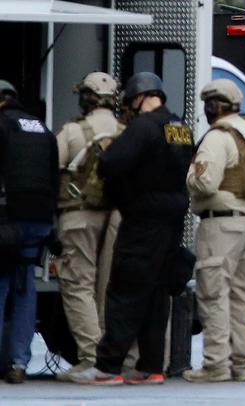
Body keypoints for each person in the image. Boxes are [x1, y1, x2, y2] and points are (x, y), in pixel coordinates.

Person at [69, 72, 193, 385]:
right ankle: (150, 367)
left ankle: (108, 367)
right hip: (173, 222)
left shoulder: (143, 127)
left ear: (139, 97)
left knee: (125, 292)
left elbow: (111, 162)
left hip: (143, 222)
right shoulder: (179, 127)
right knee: (156, 295)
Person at [183, 79, 245, 383]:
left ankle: (215, 365)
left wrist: (189, 177)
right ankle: (241, 364)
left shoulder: (217, 138)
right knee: (243, 296)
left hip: (220, 224)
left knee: (214, 294)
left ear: (213, 107)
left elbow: (205, 182)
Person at [53, 72, 124, 381]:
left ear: (86, 99)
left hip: (77, 215)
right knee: (106, 285)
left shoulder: (72, 131)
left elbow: (49, 169)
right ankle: (108, 356)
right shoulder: (126, 131)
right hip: (116, 218)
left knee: (77, 283)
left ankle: (90, 357)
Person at [0, 80, 58, 384]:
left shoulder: (2, 125)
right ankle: (19, 363)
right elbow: (53, 174)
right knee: (24, 287)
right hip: (39, 220)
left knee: (1, 286)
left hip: (8, 220)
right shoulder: (41, 128)